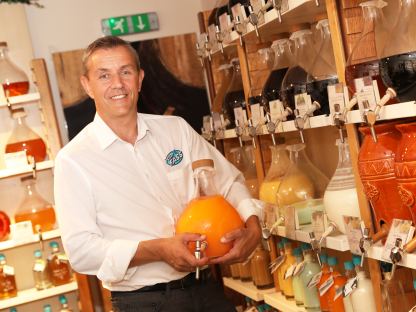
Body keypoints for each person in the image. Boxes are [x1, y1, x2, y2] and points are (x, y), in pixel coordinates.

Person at [54, 36, 262, 312]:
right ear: (87, 85)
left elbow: (228, 180)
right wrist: (157, 249)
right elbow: (81, 251)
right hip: (142, 302)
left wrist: (253, 225)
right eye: (104, 75)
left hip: (205, 289)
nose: (117, 84)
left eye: (125, 72)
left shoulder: (176, 130)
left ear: (139, 79)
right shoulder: (74, 160)